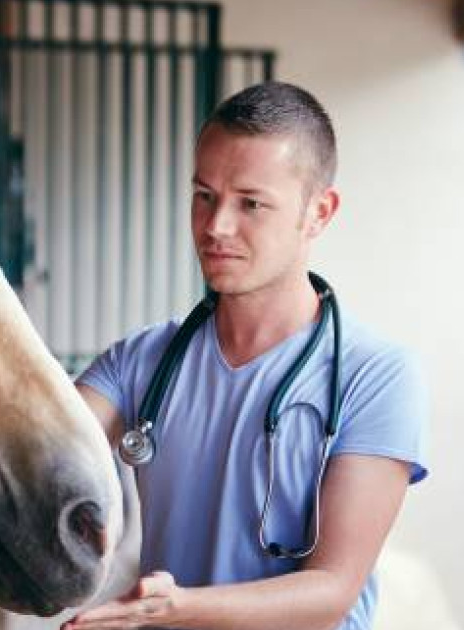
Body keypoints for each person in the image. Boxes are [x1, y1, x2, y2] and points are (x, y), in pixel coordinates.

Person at [63, 82, 429, 630]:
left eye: (251, 204)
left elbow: (331, 590)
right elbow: (44, 446)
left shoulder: (374, 377)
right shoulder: (139, 362)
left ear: (319, 212)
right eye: (204, 196)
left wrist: (173, 610)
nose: (216, 227)